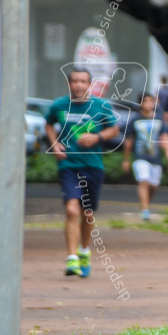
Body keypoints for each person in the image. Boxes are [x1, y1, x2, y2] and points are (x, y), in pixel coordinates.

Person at [45, 68, 120, 277]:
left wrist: (97, 138)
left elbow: (114, 129)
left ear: (89, 84)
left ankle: (84, 250)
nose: (79, 85)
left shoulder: (100, 105)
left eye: (83, 82)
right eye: (75, 81)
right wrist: (55, 144)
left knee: (87, 213)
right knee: (71, 210)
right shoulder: (59, 105)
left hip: (93, 165)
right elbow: (48, 123)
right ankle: (71, 258)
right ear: (69, 84)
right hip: (69, 165)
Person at [123, 94, 168, 221]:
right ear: (140, 103)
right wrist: (126, 159)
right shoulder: (135, 120)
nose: (148, 104)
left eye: (151, 101)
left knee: (153, 185)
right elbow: (129, 140)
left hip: (155, 157)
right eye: (145, 101)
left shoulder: (159, 119)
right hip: (140, 156)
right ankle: (145, 210)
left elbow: (165, 136)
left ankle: (146, 205)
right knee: (143, 180)